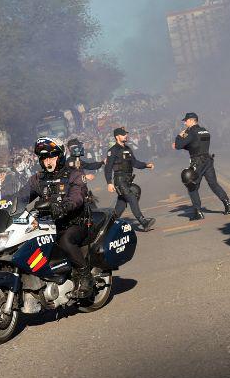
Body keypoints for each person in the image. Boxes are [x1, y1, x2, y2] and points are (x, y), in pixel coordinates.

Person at [24, 138, 94, 298]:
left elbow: (77, 197)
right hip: (48, 225)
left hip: (74, 223)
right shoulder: (37, 179)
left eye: (52, 157)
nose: (48, 161)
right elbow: (21, 197)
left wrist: (64, 206)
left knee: (65, 241)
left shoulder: (74, 175)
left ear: (60, 156)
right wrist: (2, 203)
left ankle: (85, 276)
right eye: (44, 158)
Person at [173, 113, 230, 221]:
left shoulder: (191, 132)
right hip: (208, 160)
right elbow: (196, 145)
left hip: (197, 162)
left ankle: (198, 212)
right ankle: (227, 203)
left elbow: (177, 145)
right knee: (214, 184)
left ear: (192, 120)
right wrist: (186, 146)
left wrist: (179, 136)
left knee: (192, 187)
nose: (185, 123)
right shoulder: (204, 131)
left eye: (186, 120)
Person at [104, 127, 156, 232]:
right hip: (119, 180)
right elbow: (108, 168)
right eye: (123, 134)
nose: (125, 136)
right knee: (132, 198)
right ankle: (143, 222)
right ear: (117, 137)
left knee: (121, 205)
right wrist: (109, 183)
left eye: (126, 134)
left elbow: (134, 163)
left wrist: (146, 165)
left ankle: (108, 226)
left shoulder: (127, 148)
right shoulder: (113, 151)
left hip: (127, 180)